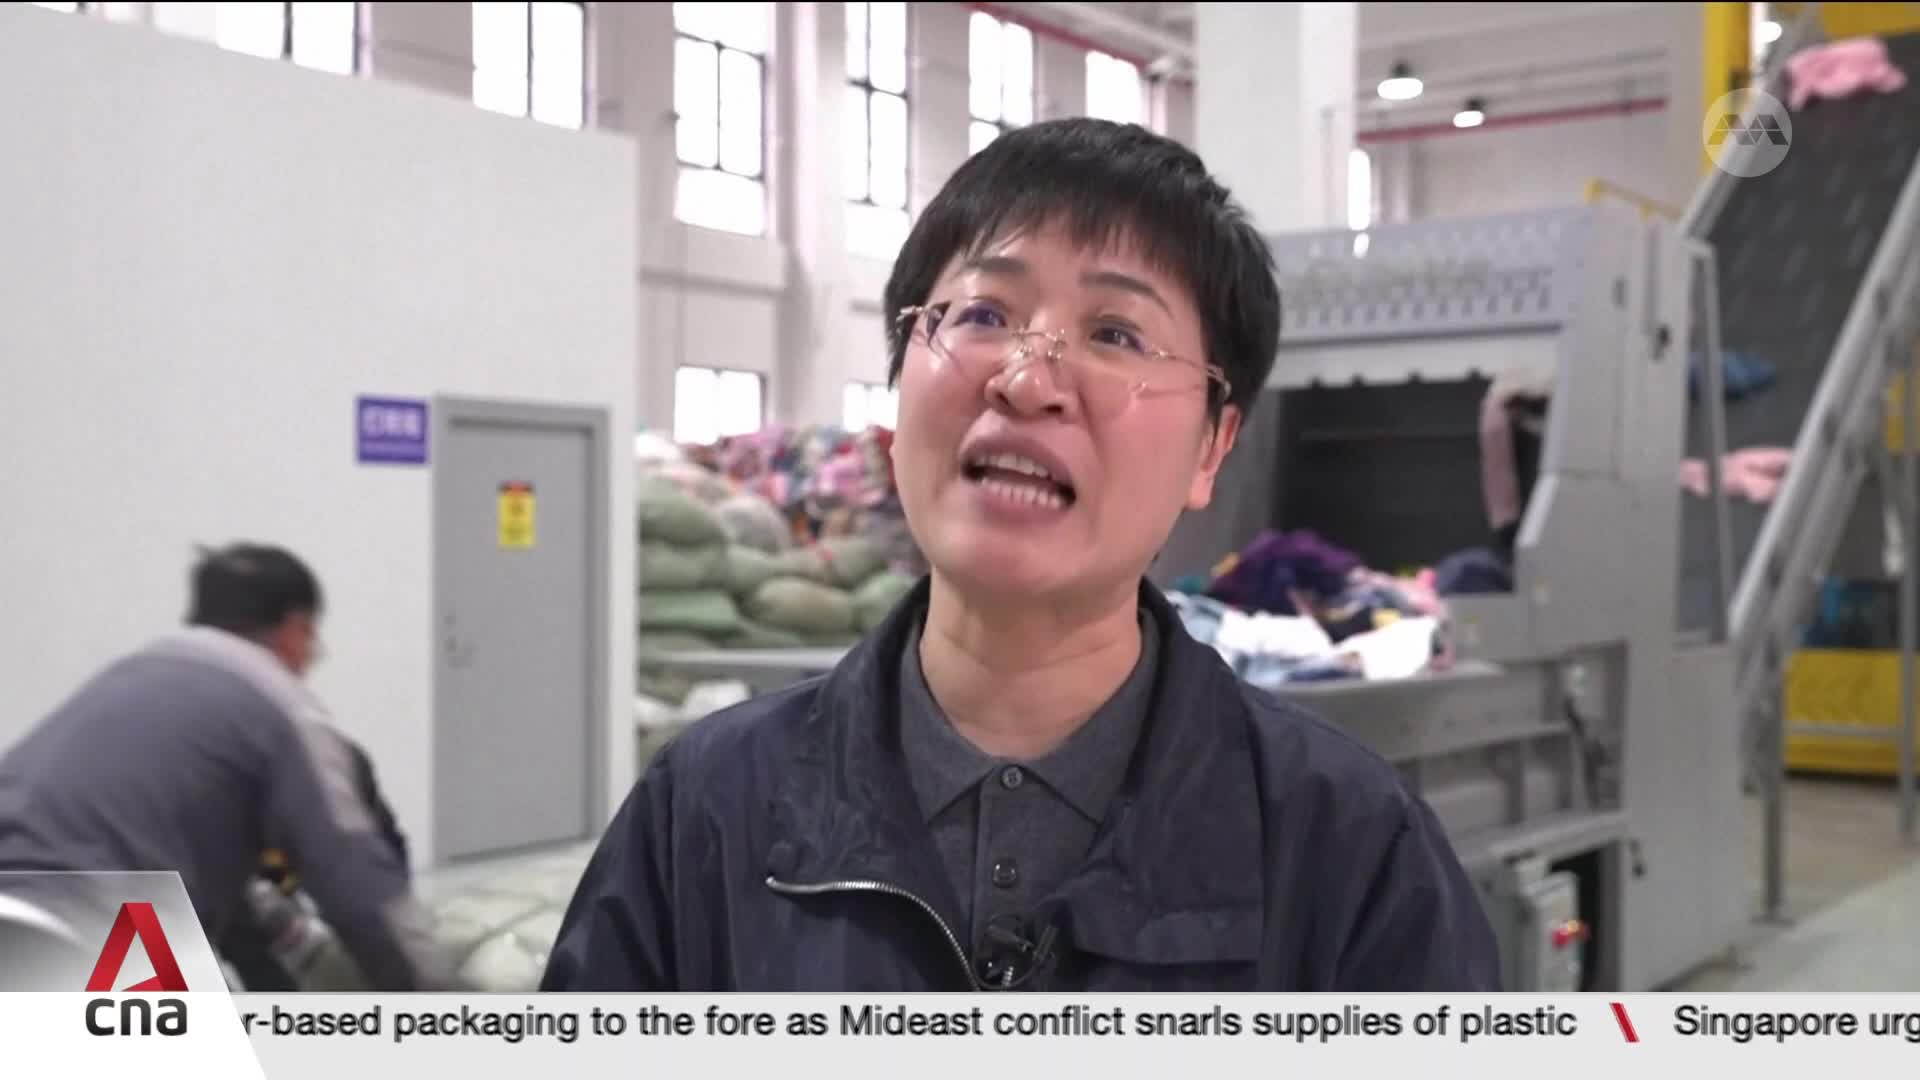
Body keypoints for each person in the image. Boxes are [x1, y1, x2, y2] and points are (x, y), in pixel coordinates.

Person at [543, 118, 1502, 991]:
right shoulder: (704, 812)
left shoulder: (1350, 850)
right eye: (981, 314)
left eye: (1117, 333)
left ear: (1212, 445)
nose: (1025, 377)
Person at [0, 543, 462, 991]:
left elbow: (227, 886)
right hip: (92, 931)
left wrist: (298, 943)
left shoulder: (131, 678)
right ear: (295, 629)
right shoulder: (282, 711)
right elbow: (359, 885)